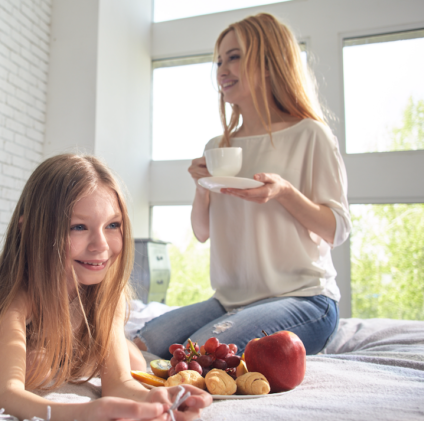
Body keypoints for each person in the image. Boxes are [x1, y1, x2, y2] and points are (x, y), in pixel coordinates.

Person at [135, 13, 351, 359]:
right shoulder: (218, 146)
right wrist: (202, 186)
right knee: (142, 344)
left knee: (200, 354)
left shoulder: (310, 134)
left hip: (305, 300)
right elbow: (202, 232)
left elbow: (337, 229)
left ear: (268, 63)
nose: (222, 69)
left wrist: (284, 192)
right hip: (229, 301)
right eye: (219, 60)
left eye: (234, 57)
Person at [0, 154, 212, 421]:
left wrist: (158, 401)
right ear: (30, 228)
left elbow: (119, 384)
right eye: (78, 227)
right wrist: (83, 417)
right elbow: (7, 396)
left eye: (113, 225)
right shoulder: (15, 301)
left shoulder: (108, 297)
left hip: (76, 335)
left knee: (133, 363)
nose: (101, 245)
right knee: (35, 361)